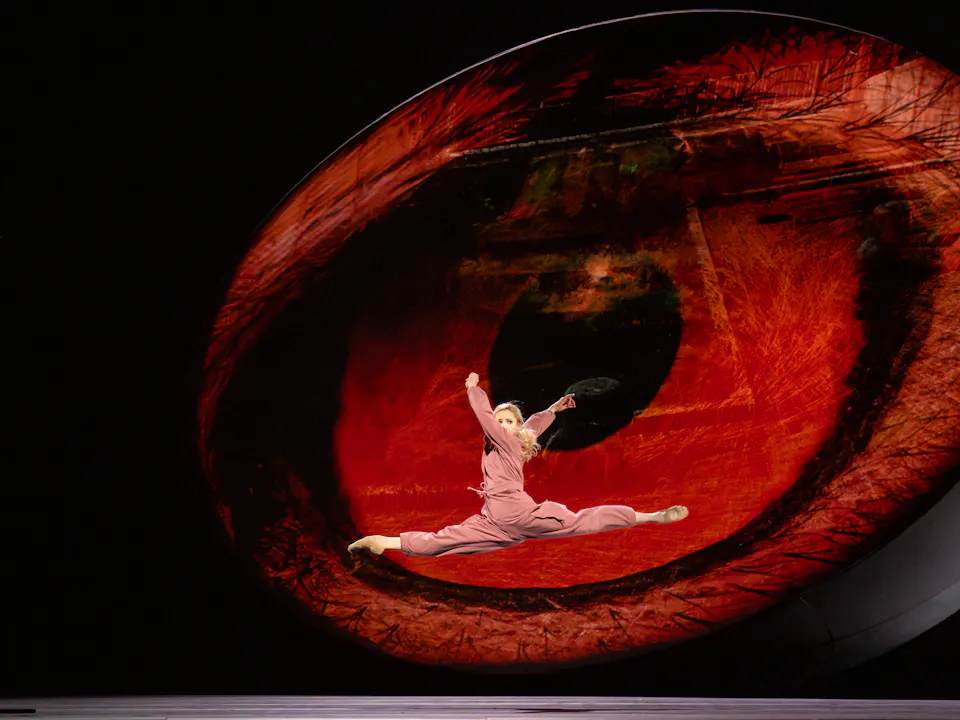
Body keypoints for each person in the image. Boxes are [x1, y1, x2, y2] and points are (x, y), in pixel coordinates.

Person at [347, 372, 689, 557]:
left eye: (507, 422)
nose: (501, 425)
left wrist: (473, 389)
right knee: (444, 542)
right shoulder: (509, 444)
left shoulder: (507, 441)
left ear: (512, 429)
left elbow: (494, 419)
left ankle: (652, 516)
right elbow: (534, 426)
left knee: (582, 521)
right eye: (501, 421)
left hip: (518, 514)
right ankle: (383, 541)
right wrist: (555, 408)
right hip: (494, 522)